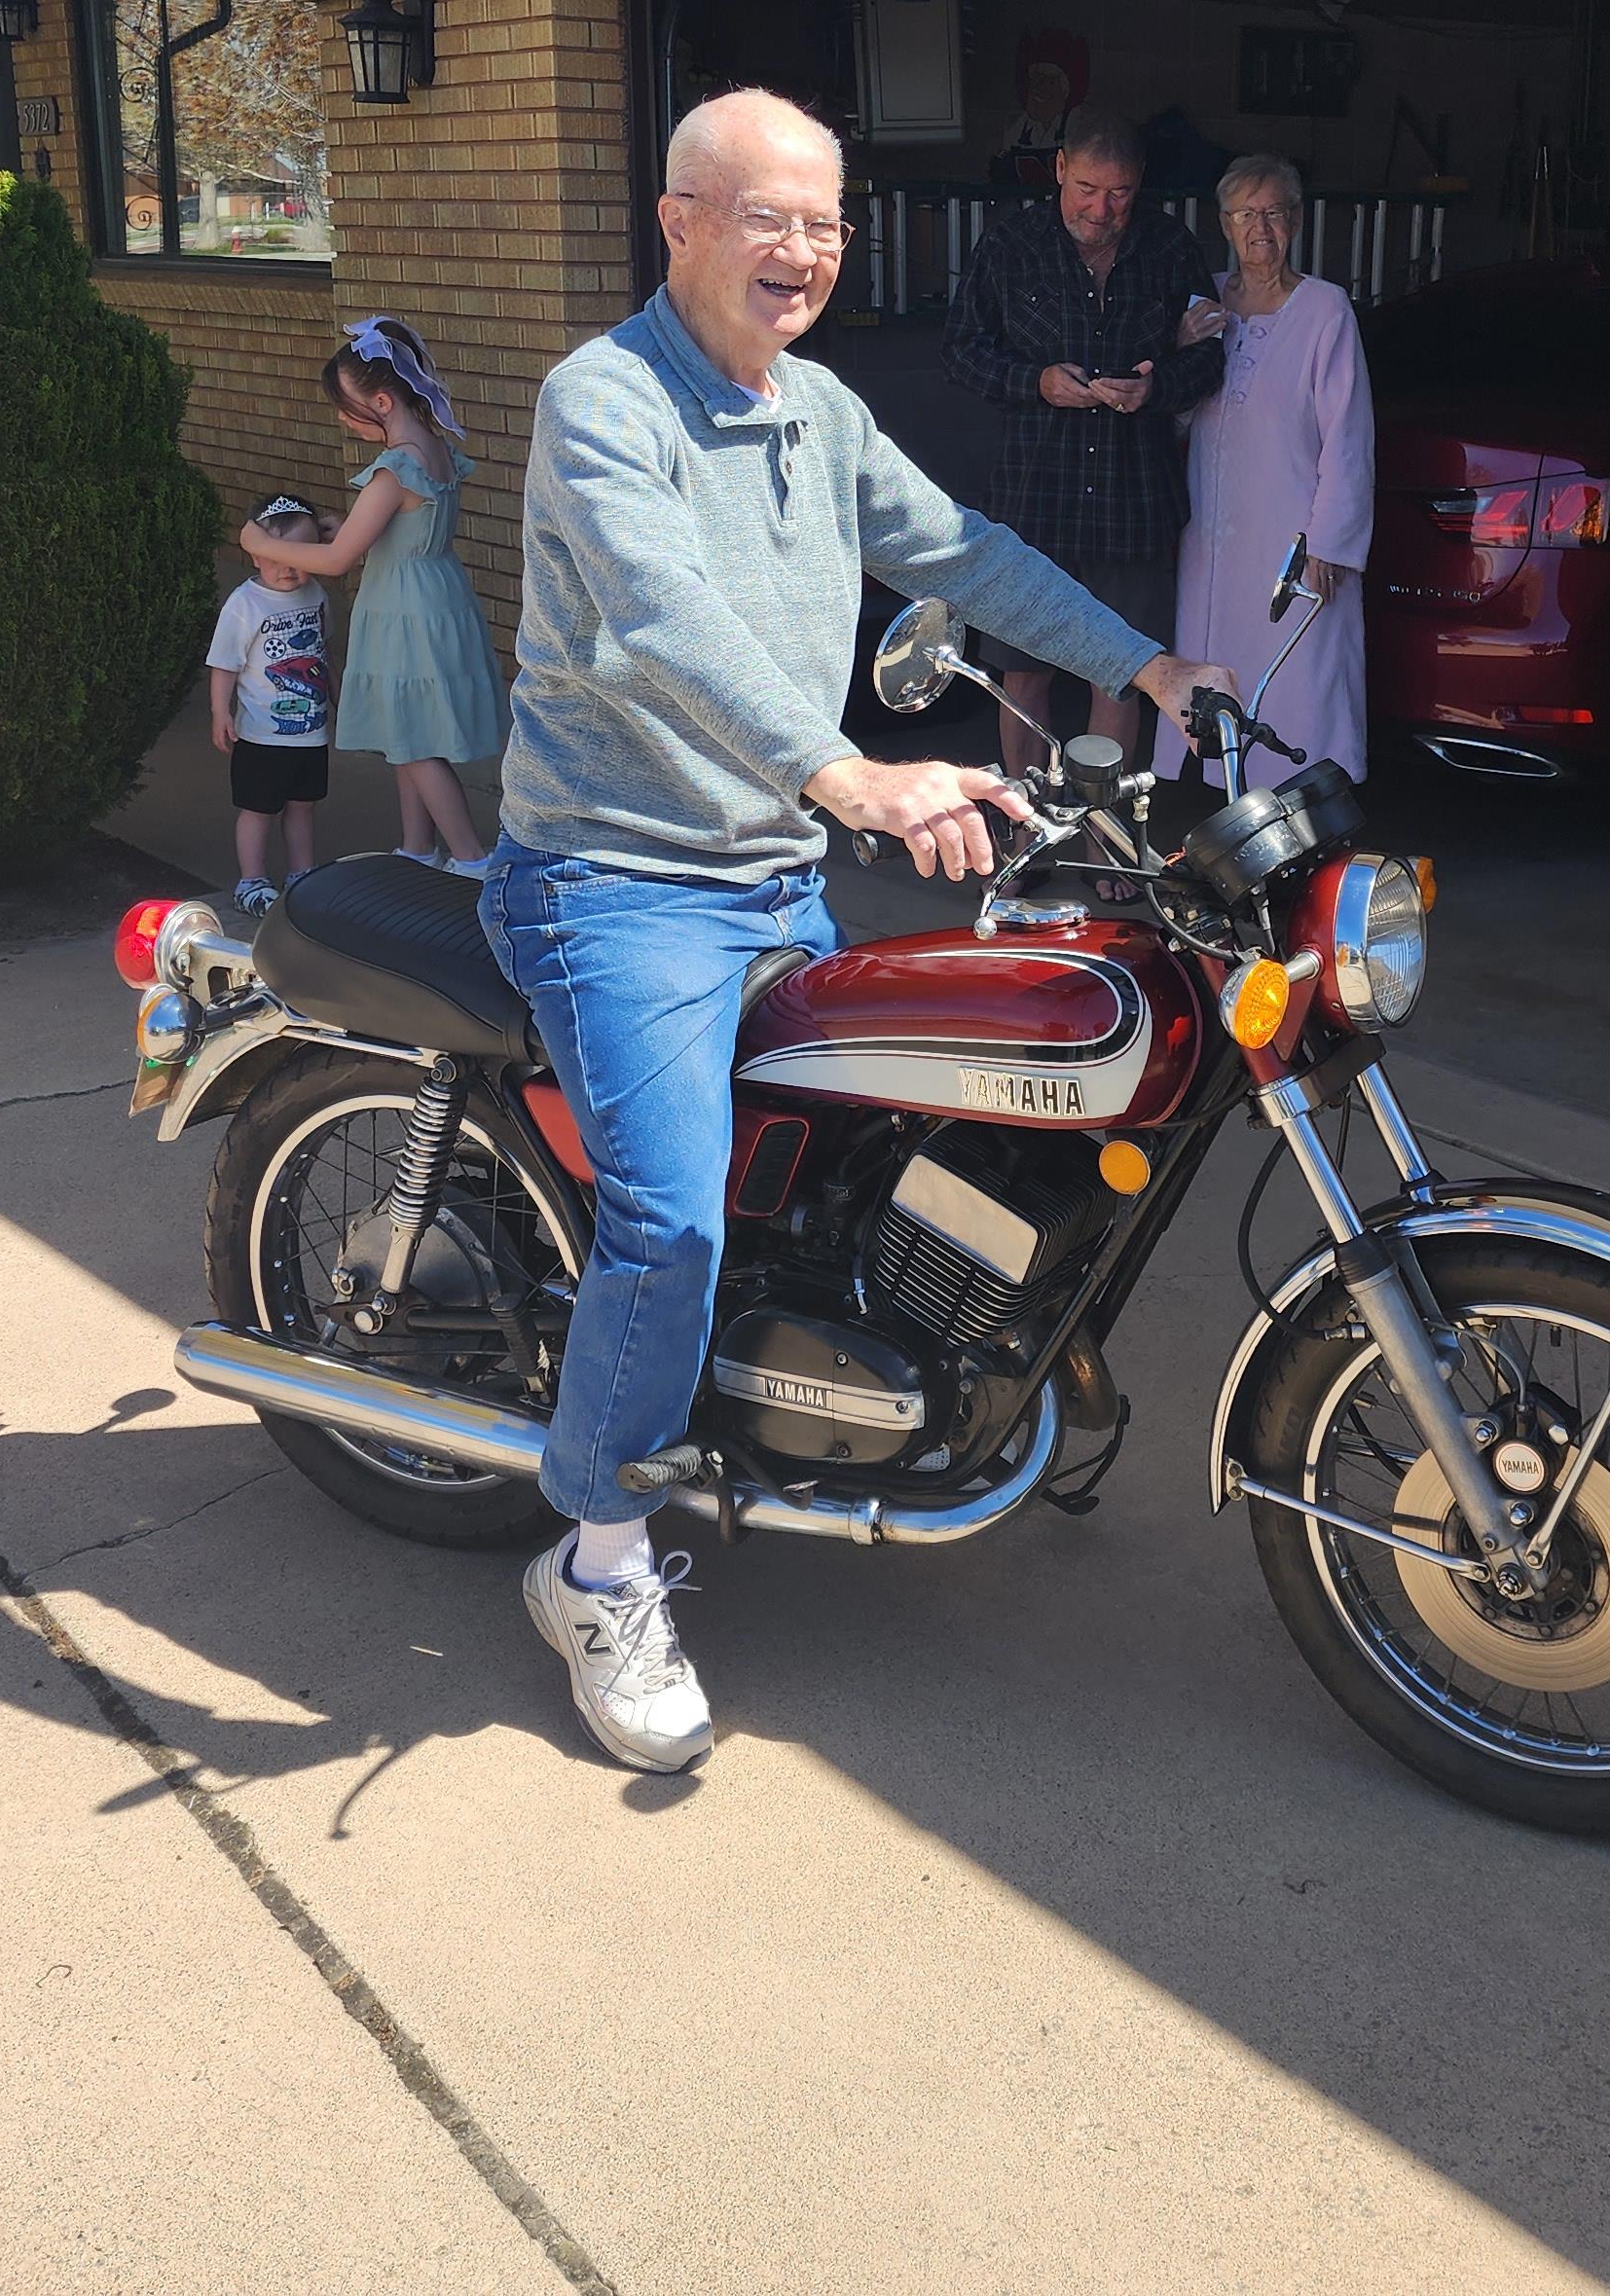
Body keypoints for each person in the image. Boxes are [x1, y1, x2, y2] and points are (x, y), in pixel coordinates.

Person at [483, 86, 1232, 1774]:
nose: (804, 252)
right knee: (672, 1217)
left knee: (878, 1147)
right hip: (617, 876)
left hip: (768, 867)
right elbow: (664, 620)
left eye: (825, 222)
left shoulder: (819, 411)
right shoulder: (604, 402)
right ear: (678, 223)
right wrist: (849, 774)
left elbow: (960, 549)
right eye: (768, 217)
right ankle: (595, 1558)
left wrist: (1148, 662)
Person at [943, 102, 1228, 771]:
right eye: (1088, 190)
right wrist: (1034, 381)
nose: (1102, 209)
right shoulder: (1010, 245)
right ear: (1060, 169)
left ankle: (1105, 843)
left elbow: (1211, 356)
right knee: (1024, 670)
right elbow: (960, 351)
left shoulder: (1169, 247)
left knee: (1123, 672)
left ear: (1141, 183)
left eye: (1121, 193)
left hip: (1136, 498)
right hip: (1036, 496)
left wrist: (1154, 389)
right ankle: (1028, 832)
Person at [240, 318, 504, 876]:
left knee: (414, 742)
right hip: (434, 593)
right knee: (406, 730)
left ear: (381, 401)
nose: (341, 418)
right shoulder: (432, 448)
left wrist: (263, 543)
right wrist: (346, 523)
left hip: (404, 610)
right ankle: (415, 848)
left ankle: (471, 858)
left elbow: (337, 561)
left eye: (347, 407)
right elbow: (397, 529)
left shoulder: (393, 470)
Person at [1160, 152, 1372, 783]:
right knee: (1215, 654)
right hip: (1213, 531)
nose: (1261, 228)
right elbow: (1173, 414)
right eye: (1246, 214)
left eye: (1275, 213)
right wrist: (1181, 350)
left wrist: (1331, 542)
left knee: (1299, 663)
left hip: (1295, 536)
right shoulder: (1201, 307)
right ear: (1224, 225)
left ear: (1297, 222)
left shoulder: (1326, 310)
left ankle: (1308, 785)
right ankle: (1219, 780)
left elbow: (1349, 436)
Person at [205, 497, 334, 922]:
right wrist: (220, 712)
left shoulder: (315, 594)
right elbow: (225, 662)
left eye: (298, 556)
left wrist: (338, 697)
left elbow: (322, 651)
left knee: (303, 805)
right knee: (258, 808)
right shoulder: (245, 603)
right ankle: (252, 881)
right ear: (255, 553)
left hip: (310, 732)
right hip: (261, 734)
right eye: (276, 557)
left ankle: (303, 874)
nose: (287, 567)